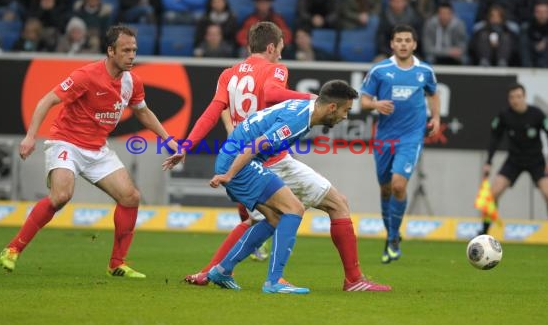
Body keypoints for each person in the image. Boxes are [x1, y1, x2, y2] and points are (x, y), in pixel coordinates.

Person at [165, 22, 391, 293]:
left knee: (264, 218)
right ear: (271, 47)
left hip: (244, 149)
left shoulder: (229, 74)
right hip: (263, 155)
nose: (281, 55)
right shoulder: (277, 70)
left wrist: (187, 144)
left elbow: (212, 112)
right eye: (281, 49)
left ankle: (214, 272)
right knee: (327, 205)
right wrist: (312, 99)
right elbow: (272, 94)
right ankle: (347, 280)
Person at [0, 25, 180, 278]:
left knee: (130, 197)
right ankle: (12, 249)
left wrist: (168, 139)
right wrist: (30, 137)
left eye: (134, 50)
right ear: (110, 51)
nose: (131, 56)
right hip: (67, 142)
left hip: (97, 149)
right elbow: (47, 100)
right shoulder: (86, 75)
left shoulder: (132, 81)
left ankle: (117, 263)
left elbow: (142, 112)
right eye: (126, 50)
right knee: (61, 196)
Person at [207, 81, 383, 293]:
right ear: (332, 108)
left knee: (275, 218)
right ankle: (274, 282)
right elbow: (258, 144)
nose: (346, 116)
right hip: (240, 163)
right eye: (346, 110)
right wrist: (229, 174)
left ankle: (222, 270)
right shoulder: (298, 120)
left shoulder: (304, 107)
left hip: (238, 159)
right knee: (294, 209)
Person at [360, 24, 440, 264]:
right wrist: (376, 105)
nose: (404, 44)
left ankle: (393, 237)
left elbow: (433, 93)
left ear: (414, 44)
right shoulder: (380, 70)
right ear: (392, 44)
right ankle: (391, 235)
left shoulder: (424, 71)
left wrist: (435, 117)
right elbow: (363, 101)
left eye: (408, 40)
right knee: (385, 189)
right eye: (399, 40)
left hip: (411, 137)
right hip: (384, 138)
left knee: (397, 185)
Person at [481, 83, 548, 234]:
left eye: (518, 96)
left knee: (547, 193)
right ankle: (484, 231)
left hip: (536, 160)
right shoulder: (504, 115)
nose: (515, 100)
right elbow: (494, 138)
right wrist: (488, 162)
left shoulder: (537, 114)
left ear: (524, 97)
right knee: (492, 194)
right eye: (512, 97)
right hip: (514, 160)